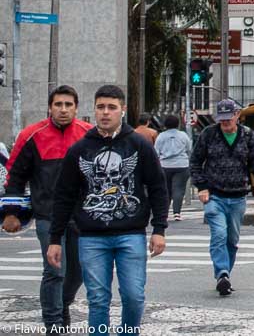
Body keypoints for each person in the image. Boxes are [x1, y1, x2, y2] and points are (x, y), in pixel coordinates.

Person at [48, 84, 167, 334]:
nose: (105, 113)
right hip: (91, 237)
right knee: (98, 300)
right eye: (100, 107)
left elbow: (157, 187)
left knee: (134, 296)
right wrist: (55, 238)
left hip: (131, 234)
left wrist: (159, 229)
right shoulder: (80, 150)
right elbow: (64, 196)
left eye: (111, 107)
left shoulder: (139, 145)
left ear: (122, 110)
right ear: (94, 110)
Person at [6, 84, 90, 333]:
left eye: (68, 105)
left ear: (76, 108)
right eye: (58, 104)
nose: (63, 109)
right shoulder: (31, 135)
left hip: (82, 216)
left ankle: (62, 305)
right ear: (50, 107)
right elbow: (15, 176)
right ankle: (53, 323)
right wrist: (11, 213)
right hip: (47, 215)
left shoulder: (89, 134)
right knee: (55, 270)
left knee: (78, 273)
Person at [190, 97, 254, 297]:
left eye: (228, 119)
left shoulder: (248, 135)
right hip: (214, 195)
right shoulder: (209, 134)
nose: (225, 123)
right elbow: (196, 162)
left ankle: (225, 276)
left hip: (238, 196)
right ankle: (221, 273)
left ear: (237, 115)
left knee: (232, 239)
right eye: (221, 119)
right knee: (219, 235)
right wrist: (202, 186)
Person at [154, 115, 192, 222]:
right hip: (182, 165)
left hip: (165, 165)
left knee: (166, 190)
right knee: (179, 189)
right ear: (178, 124)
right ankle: (177, 213)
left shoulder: (161, 136)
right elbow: (189, 149)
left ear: (165, 125)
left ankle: (164, 213)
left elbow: (156, 152)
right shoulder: (183, 135)